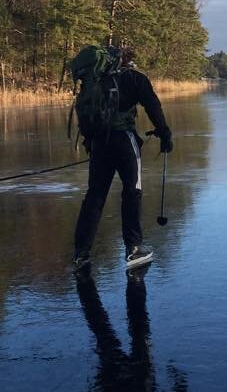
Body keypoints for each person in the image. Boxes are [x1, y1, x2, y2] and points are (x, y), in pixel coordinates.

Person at [73, 47, 173, 272]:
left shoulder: (95, 82)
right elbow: (152, 105)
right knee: (132, 191)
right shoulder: (134, 78)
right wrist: (164, 132)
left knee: (95, 195)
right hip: (124, 141)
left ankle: (81, 252)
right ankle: (134, 248)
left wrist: (90, 142)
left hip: (98, 143)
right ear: (127, 61)